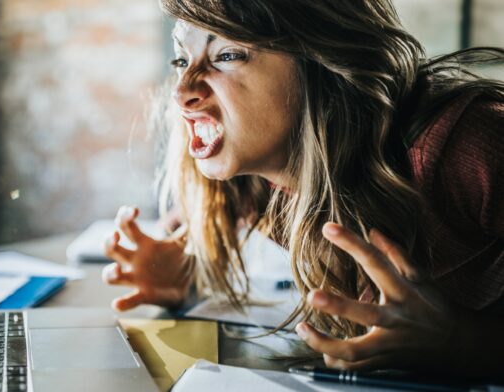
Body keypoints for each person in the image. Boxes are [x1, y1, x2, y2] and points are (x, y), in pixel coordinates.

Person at [102, 0, 504, 377]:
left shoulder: (473, 144)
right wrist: (189, 275)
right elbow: (182, 241)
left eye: (226, 56)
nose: (182, 90)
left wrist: (463, 343)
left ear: (324, 60)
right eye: (181, 59)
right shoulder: (255, 180)